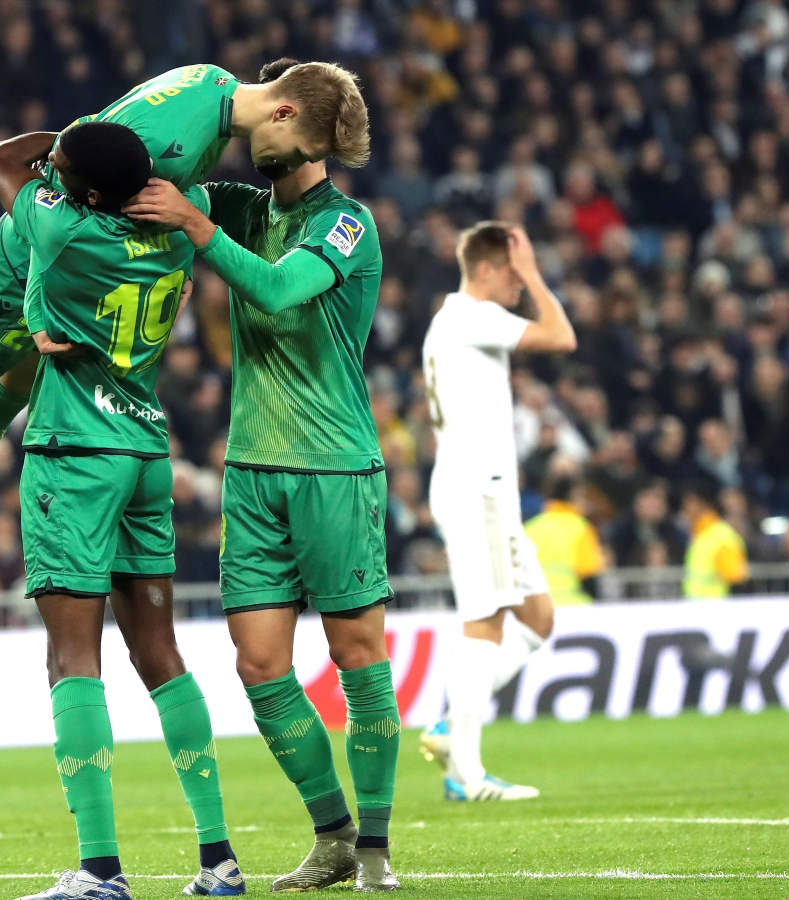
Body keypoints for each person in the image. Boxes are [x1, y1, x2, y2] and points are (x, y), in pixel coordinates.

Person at [0, 61, 369, 587]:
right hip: (34, 253)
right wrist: (35, 302)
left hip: (73, 258)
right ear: (284, 112)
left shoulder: (210, 86)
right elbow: (60, 174)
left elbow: (96, 149)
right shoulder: (175, 131)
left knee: (19, 382)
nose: (296, 164)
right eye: (307, 150)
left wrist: (177, 266)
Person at [124, 57, 397, 894]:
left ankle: (380, 850)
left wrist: (199, 231)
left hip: (335, 466)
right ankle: (333, 836)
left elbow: (280, 292)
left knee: (356, 654)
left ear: (296, 129)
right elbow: (166, 198)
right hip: (251, 471)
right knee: (258, 665)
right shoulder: (241, 207)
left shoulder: (347, 225)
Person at [0, 121, 242, 900]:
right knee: (160, 655)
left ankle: (99, 871)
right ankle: (218, 860)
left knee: (72, 658)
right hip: (144, 452)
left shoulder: (61, 231)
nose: (48, 172)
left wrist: (61, 132)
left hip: (74, 455)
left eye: (59, 168)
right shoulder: (176, 234)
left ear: (88, 192)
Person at [417, 221, 576, 801]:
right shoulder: (470, 316)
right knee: (484, 621)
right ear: (487, 268)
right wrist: (536, 274)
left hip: (483, 490)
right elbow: (561, 337)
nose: (518, 285)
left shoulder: (450, 321)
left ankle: (452, 727)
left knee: (537, 619)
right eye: (512, 273)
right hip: (476, 490)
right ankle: (466, 773)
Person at [523, 475, 606, 606]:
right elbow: (589, 575)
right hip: (574, 606)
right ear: (573, 496)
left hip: (538, 608)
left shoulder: (530, 527)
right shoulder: (581, 527)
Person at [681, 479, 749, 599]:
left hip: (715, 604)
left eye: (690, 502)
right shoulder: (699, 533)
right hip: (696, 603)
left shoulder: (721, 534)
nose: (685, 508)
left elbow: (735, 574)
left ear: (703, 504)